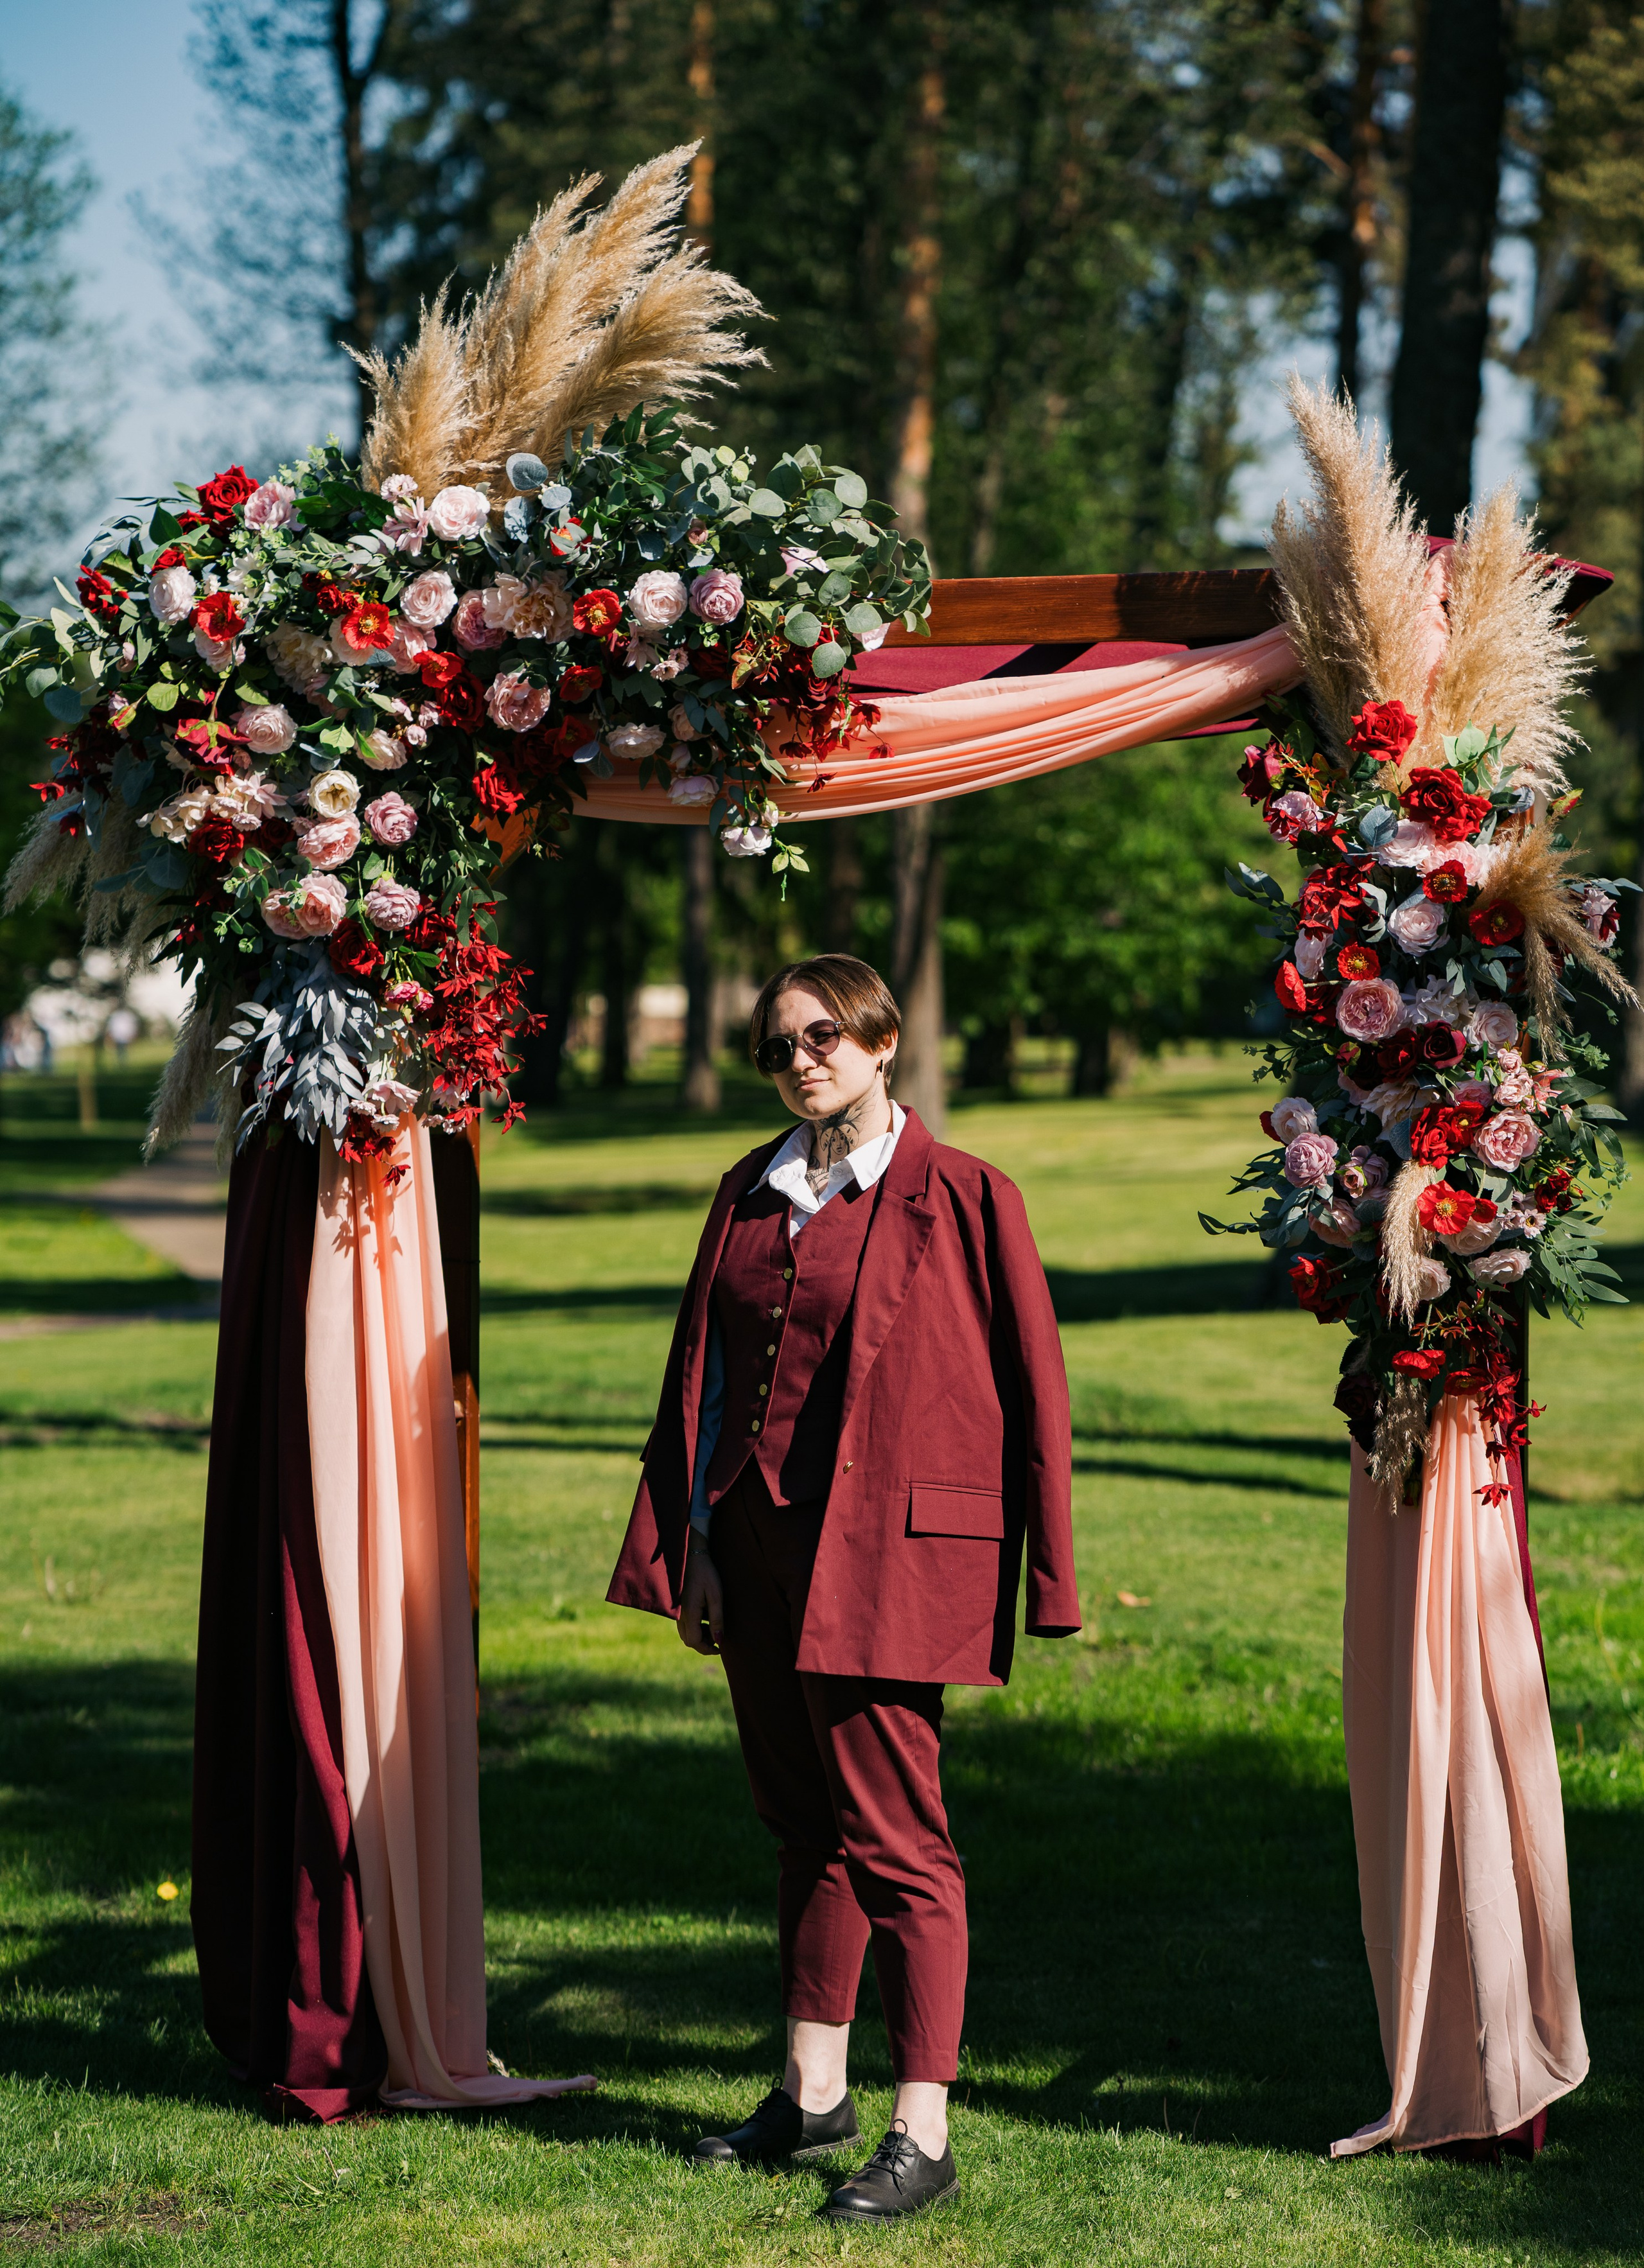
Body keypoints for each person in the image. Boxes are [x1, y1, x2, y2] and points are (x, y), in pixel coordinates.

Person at [607, 953, 1079, 2223]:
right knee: (799, 1823)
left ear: (881, 1041)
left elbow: (1036, 1390)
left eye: (823, 1035)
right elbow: (696, 1378)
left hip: (888, 1556)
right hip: (753, 1554)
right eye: (776, 1046)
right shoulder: (746, 1194)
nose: (800, 1058)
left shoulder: (966, 1195)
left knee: (899, 1841)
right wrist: (693, 1533)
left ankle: (920, 2127)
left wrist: (1048, 1573)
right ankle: (811, 2090)